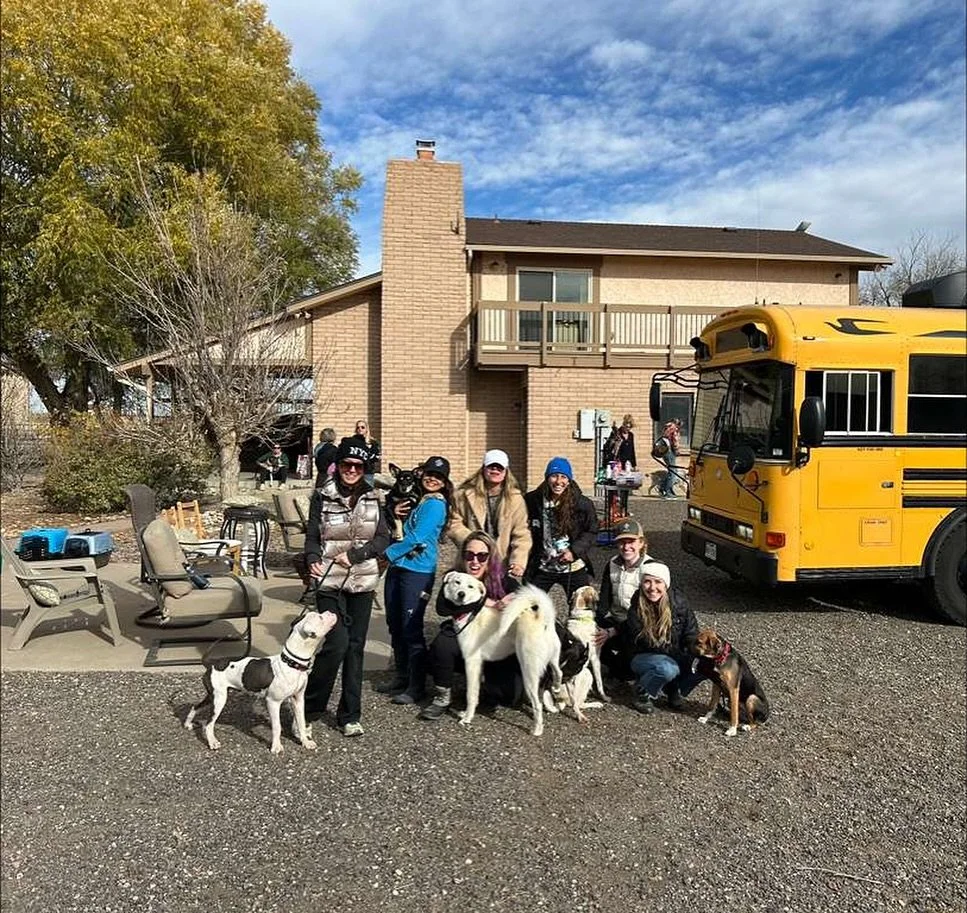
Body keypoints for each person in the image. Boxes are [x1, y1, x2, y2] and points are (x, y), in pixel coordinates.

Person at [302, 437, 392, 737]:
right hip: (329, 582)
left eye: (357, 465)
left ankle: (350, 715)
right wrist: (313, 557)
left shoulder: (374, 496)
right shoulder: (321, 495)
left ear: (364, 468)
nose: (351, 470)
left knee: (355, 648)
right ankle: (311, 706)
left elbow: (383, 539)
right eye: (346, 464)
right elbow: (312, 536)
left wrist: (356, 554)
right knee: (336, 642)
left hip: (362, 581)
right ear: (337, 466)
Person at [419, 530, 521, 721]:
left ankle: (483, 683)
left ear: (490, 557)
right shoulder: (455, 577)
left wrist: (514, 599)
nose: (475, 561)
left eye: (482, 556)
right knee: (443, 644)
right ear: (463, 556)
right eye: (469, 555)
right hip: (464, 636)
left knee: (508, 698)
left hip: (495, 644)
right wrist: (488, 603)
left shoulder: (501, 579)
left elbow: (526, 597)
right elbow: (442, 608)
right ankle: (442, 696)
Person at [380, 455, 453, 704]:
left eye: (439, 476)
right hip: (399, 567)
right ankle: (401, 675)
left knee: (411, 627)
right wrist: (393, 512)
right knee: (395, 623)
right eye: (429, 473)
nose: (432, 479)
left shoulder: (435, 505)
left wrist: (385, 555)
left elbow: (417, 537)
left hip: (417, 570)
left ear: (444, 482)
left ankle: (416, 685)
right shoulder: (417, 499)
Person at [626, 561, 706, 714]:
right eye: (647, 581)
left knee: (703, 665)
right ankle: (642, 692)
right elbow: (646, 642)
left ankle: (673, 689)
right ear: (641, 583)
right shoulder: (636, 607)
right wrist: (679, 655)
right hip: (642, 656)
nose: (652, 587)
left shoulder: (679, 603)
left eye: (658, 582)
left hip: (671, 652)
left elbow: (691, 632)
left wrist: (694, 651)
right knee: (668, 668)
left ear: (666, 584)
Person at [524, 457, 598, 602]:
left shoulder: (582, 503)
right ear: (547, 478)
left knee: (583, 608)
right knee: (529, 606)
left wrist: (574, 551)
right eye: (554, 476)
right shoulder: (533, 500)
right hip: (543, 565)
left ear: (569, 480)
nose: (558, 482)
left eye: (563, 477)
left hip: (573, 565)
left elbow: (591, 531)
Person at [447, 448, 530, 578]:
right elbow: (453, 523)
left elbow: (521, 534)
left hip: (500, 561)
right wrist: (473, 540)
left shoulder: (515, 499)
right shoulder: (464, 494)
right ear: (483, 469)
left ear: (506, 472)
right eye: (491, 467)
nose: (495, 471)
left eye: (499, 468)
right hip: (472, 560)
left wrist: (517, 562)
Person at [594, 518, 653, 682]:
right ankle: (614, 668)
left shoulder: (650, 568)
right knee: (591, 634)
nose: (626, 547)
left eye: (631, 541)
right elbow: (604, 600)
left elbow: (645, 612)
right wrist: (594, 622)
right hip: (617, 618)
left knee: (627, 667)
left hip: (639, 624)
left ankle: (625, 670)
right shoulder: (611, 564)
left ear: (641, 543)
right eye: (622, 542)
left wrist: (612, 631)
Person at [658, 417, 683, 498]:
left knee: (671, 471)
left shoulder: (667, 428)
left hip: (664, 451)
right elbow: (675, 442)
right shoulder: (674, 429)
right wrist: (677, 451)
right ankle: (667, 491)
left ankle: (663, 488)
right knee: (673, 472)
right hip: (670, 452)